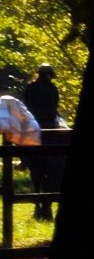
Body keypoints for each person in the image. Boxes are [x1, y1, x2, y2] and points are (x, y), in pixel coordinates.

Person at [21, 63, 59, 219]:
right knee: (52, 168)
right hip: (49, 127)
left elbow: (27, 108)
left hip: (34, 127)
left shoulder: (30, 88)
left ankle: (23, 160)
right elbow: (54, 108)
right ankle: (47, 208)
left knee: (33, 165)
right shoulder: (53, 89)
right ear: (50, 74)